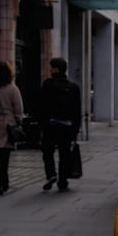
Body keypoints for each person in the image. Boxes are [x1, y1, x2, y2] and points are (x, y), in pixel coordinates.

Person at [38, 57, 81, 192]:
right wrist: (75, 130)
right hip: (67, 127)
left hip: (50, 125)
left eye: (51, 67)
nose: (50, 70)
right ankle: (63, 181)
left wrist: (42, 124)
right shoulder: (73, 87)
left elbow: (41, 106)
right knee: (64, 154)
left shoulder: (47, 85)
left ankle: (51, 174)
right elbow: (76, 111)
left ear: (56, 69)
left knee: (47, 151)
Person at [0, 61, 23, 195]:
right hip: (8, 126)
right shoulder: (13, 89)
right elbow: (18, 109)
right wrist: (19, 121)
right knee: (5, 157)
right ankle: (3, 182)